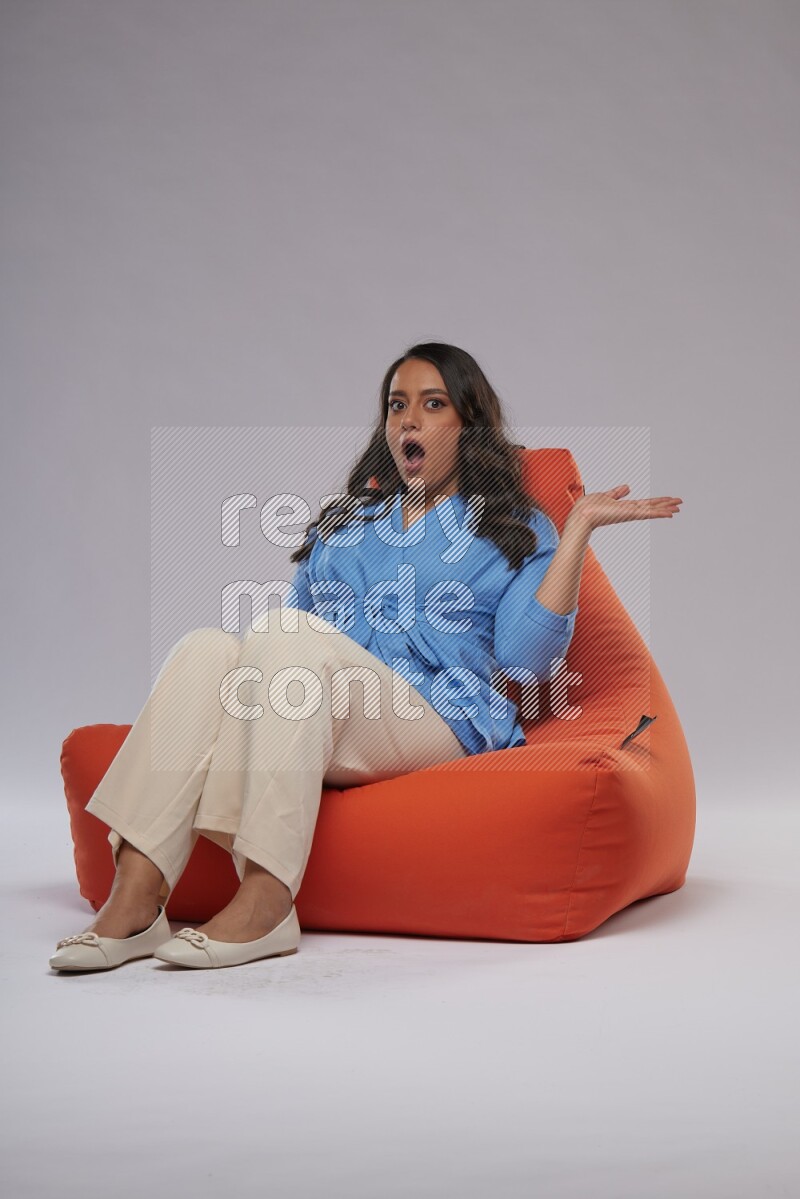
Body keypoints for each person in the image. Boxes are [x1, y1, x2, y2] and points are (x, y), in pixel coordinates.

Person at [49, 341, 682, 972]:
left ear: (467, 423)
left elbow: (527, 659)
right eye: (397, 406)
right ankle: (136, 898)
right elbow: (285, 640)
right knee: (204, 649)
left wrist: (575, 533)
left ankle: (268, 899)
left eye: (432, 405)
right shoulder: (347, 522)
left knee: (284, 637)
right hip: (330, 709)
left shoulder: (513, 526)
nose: (409, 421)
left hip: (440, 718)